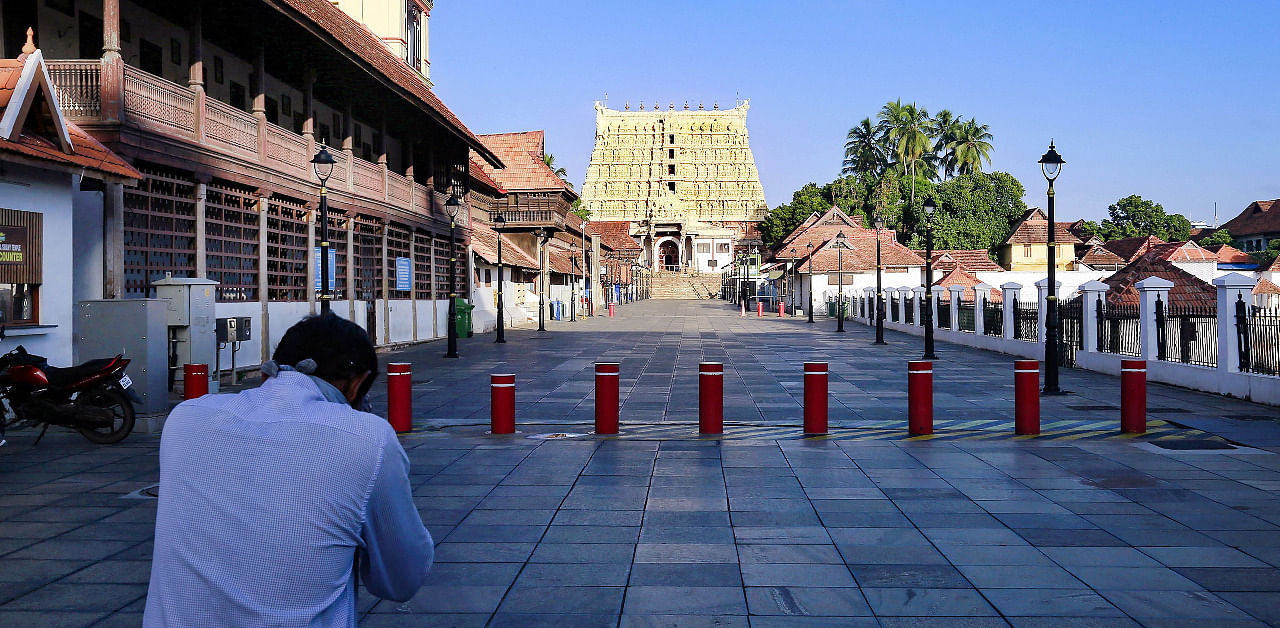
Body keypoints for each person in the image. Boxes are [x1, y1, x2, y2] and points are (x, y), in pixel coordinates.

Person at [144, 313, 432, 627]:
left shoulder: (186, 419)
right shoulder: (368, 438)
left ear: (270, 369)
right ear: (356, 384)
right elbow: (400, 579)